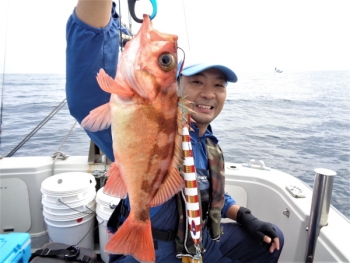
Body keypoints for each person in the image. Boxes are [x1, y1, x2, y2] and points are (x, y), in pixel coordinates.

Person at [66, 1, 284, 262]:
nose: (208, 93)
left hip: (203, 241)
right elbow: (85, 96)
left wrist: (245, 217)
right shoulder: (140, 116)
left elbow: (210, 193)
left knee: (271, 241)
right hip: (160, 251)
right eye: (196, 81)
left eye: (219, 85)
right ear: (176, 87)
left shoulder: (208, 142)